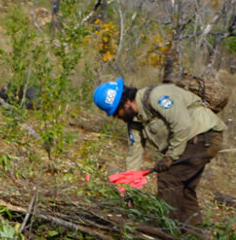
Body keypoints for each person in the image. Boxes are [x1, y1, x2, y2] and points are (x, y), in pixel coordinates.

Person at [93, 76, 226, 227]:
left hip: (203, 135)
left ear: (127, 102)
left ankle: (166, 230)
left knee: (168, 179)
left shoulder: (157, 96)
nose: (117, 116)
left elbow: (182, 125)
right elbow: (134, 154)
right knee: (185, 192)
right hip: (192, 140)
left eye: (117, 111)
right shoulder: (135, 122)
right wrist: (130, 189)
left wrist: (170, 157)